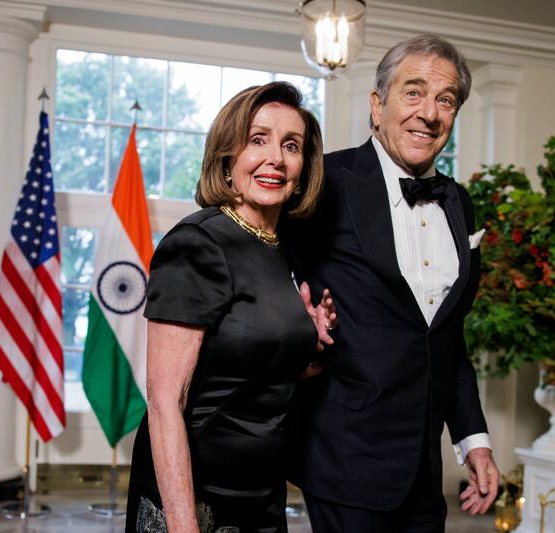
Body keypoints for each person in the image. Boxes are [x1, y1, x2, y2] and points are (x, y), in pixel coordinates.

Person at [284, 34, 500, 532]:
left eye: (445, 100)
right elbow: (265, 268)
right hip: (343, 455)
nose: (429, 112)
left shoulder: (457, 202)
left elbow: (447, 337)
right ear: (377, 106)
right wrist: (300, 328)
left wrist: (474, 441)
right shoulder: (326, 179)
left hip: (424, 472)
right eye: (414, 92)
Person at [126, 81, 335, 533]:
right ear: (227, 157)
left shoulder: (282, 248)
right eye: (257, 140)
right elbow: (165, 401)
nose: (275, 158)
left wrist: (308, 345)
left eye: (291, 145)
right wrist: (184, 525)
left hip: (262, 493)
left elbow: (252, 368)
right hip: (198, 498)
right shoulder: (196, 244)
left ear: (304, 166)